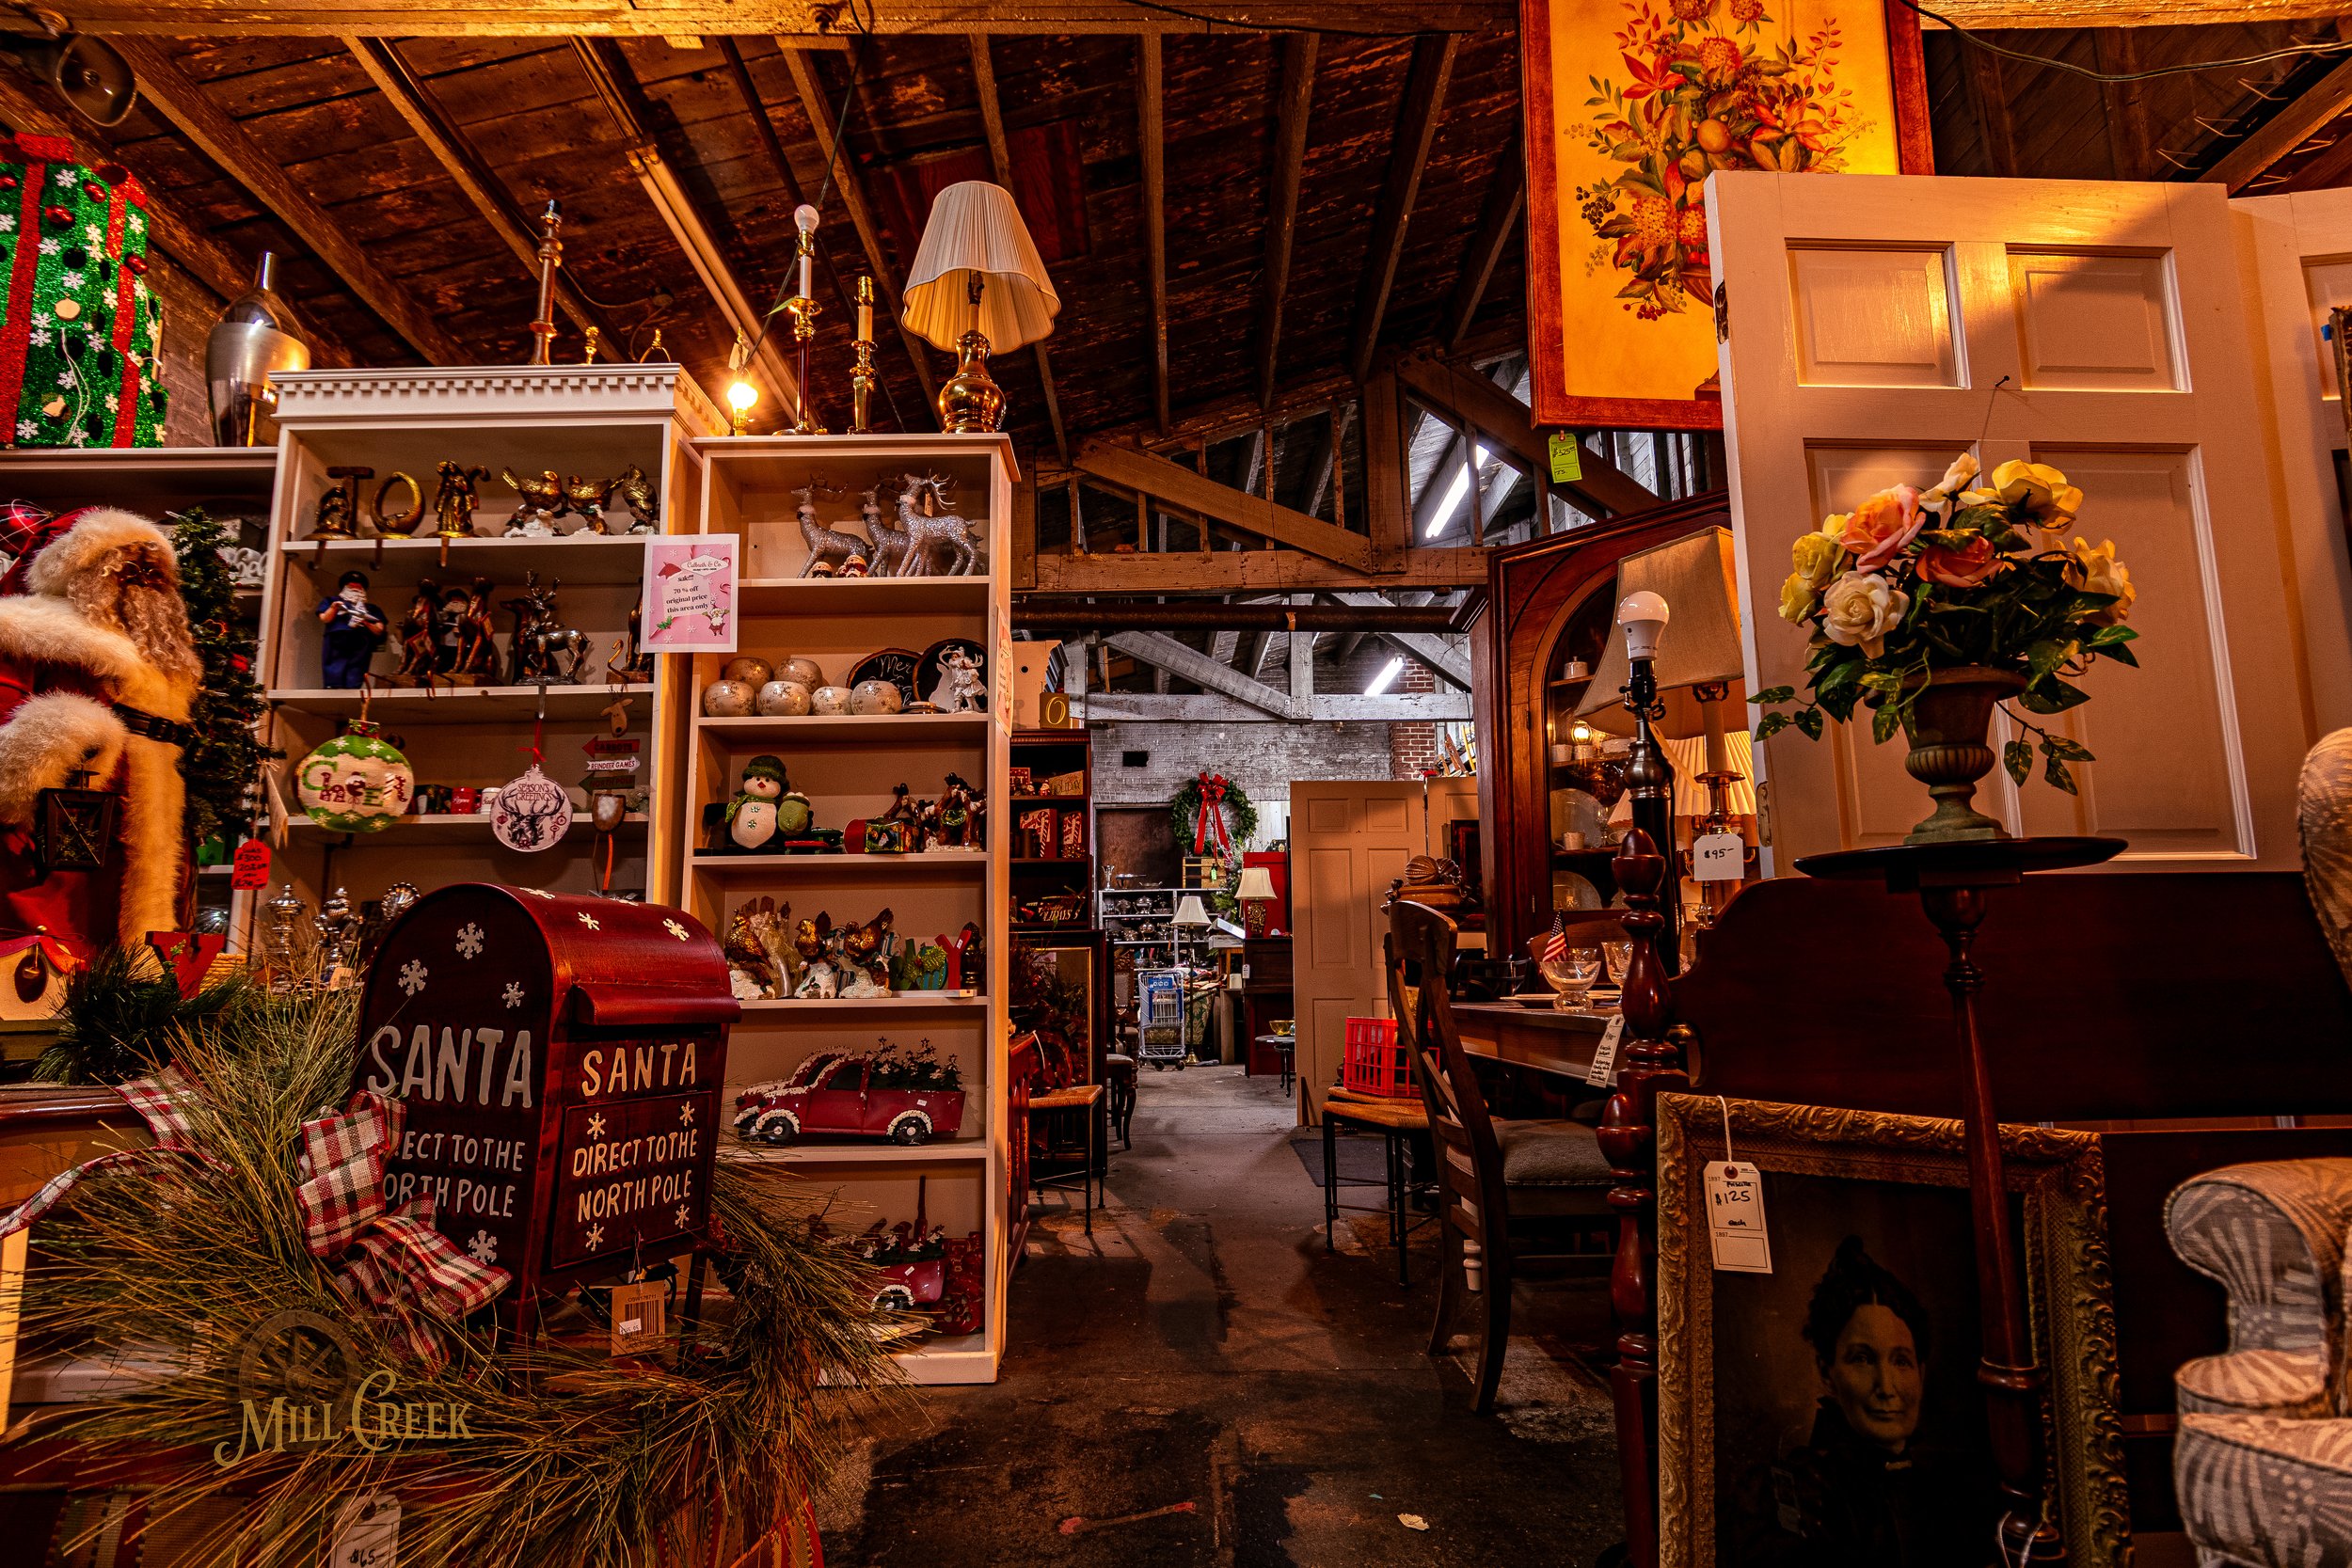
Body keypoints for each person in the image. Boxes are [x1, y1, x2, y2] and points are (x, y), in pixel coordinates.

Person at [0, 506, 202, 960]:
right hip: (62, 818)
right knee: (57, 941)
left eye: (152, 563)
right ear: (76, 570)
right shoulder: (24, 628)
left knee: (132, 932)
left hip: (144, 818)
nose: (143, 573)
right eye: (125, 562)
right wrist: (59, 732)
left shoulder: (161, 657)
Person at [1732, 1235, 1999, 1567]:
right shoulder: (1790, 1494)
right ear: (1827, 1372)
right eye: (1862, 1359)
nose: (1886, 1387)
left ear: (1922, 1372)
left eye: (1901, 1361)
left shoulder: (1953, 1493)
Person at [316, 569, 387, 688]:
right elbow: (324, 618)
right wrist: (334, 608)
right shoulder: (331, 601)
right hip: (336, 639)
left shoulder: (372, 609)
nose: (355, 587)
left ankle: (353, 686)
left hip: (361, 641)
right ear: (344, 587)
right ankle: (333, 686)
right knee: (334, 664)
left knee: (357, 666)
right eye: (351, 585)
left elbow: (379, 630)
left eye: (358, 586)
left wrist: (366, 622)